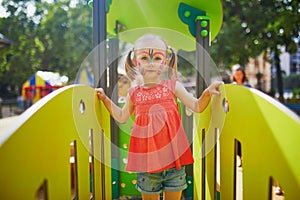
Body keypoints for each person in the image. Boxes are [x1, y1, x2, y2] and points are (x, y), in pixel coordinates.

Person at [96, 34, 223, 200]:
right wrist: (105, 99)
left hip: (174, 165)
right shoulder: (134, 93)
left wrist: (207, 93)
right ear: (135, 62)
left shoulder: (173, 87)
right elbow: (121, 116)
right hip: (147, 166)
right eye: (144, 57)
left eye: (157, 58)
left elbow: (197, 106)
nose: (150, 63)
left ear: (164, 62)